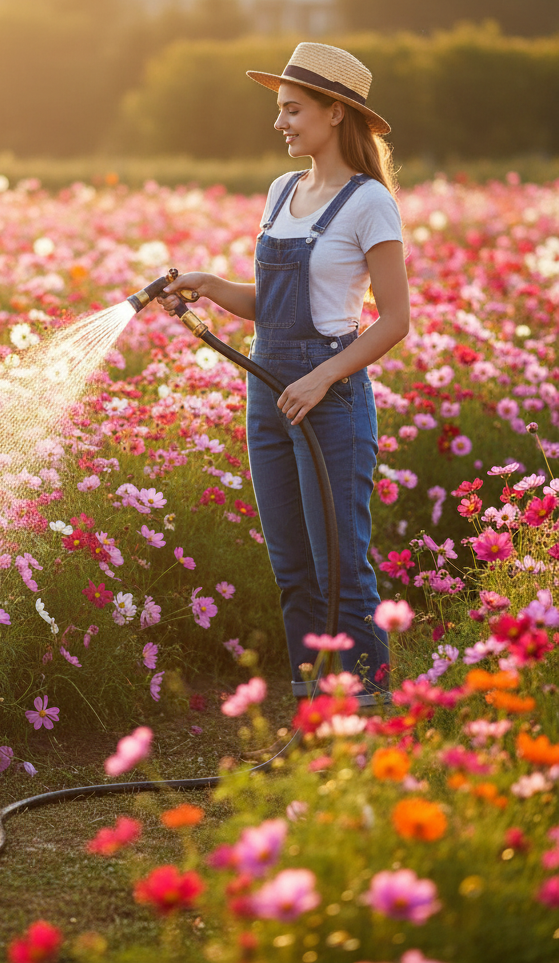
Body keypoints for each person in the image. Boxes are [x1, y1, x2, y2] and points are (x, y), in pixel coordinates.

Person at [159, 43, 410, 707]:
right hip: (268, 391)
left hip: (327, 398)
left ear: (335, 113)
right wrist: (211, 284)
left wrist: (322, 378)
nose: (280, 124)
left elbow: (394, 321)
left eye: (293, 110)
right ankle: (315, 709)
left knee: (340, 572)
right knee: (293, 571)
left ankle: (370, 713)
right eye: (279, 110)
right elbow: (269, 305)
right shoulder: (282, 191)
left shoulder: (369, 204)